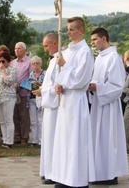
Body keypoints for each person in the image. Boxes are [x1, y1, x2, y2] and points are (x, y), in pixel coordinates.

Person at [51, 16, 95, 187]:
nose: (67, 33)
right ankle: (63, 176)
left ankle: (76, 179)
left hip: (76, 99)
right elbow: (60, 76)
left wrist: (66, 65)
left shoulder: (85, 52)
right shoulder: (67, 51)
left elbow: (81, 79)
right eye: (67, 29)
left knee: (76, 139)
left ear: (81, 30)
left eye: (71, 29)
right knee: (64, 138)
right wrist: (58, 85)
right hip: (65, 100)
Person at [87, 27, 129, 185]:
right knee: (98, 138)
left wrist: (98, 87)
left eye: (95, 40)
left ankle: (110, 173)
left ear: (104, 38)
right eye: (91, 41)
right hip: (98, 102)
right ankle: (99, 172)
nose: (93, 43)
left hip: (109, 104)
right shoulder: (99, 58)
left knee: (108, 138)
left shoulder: (114, 57)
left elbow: (118, 85)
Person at [37, 33, 59, 184]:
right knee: (47, 137)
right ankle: (47, 170)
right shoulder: (52, 61)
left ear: (55, 43)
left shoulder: (60, 60)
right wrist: (42, 89)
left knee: (53, 138)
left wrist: (44, 91)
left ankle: (53, 171)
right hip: (48, 104)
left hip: (55, 105)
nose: (45, 49)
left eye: (46, 45)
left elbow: (58, 85)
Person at [0, 52, 18, 149]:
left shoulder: (13, 69)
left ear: (8, 60)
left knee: (8, 120)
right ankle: (5, 140)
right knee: (2, 121)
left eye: (3, 61)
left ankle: (9, 141)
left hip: (8, 97)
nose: (1, 63)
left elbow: (8, 81)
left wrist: (4, 71)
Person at [11, 42, 33, 145]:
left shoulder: (29, 62)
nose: (17, 50)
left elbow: (32, 78)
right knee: (14, 116)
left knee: (24, 116)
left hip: (24, 93)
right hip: (13, 93)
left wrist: (21, 86)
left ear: (24, 50)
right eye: (15, 48)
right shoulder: (12, 63)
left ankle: (24, 137)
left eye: (19, 48)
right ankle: (16, 137)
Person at [28, 56, 45, 148]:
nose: (35, 65)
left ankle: (41, 141)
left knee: (40, 120)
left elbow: (47, 85)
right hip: (31, 97)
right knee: (33, 121)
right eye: (33, 63)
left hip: (40, 97)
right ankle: (34, 140)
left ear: (40, 64)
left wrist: (39, 84)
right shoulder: (31, 74)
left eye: (37, 63)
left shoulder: (44, 73)